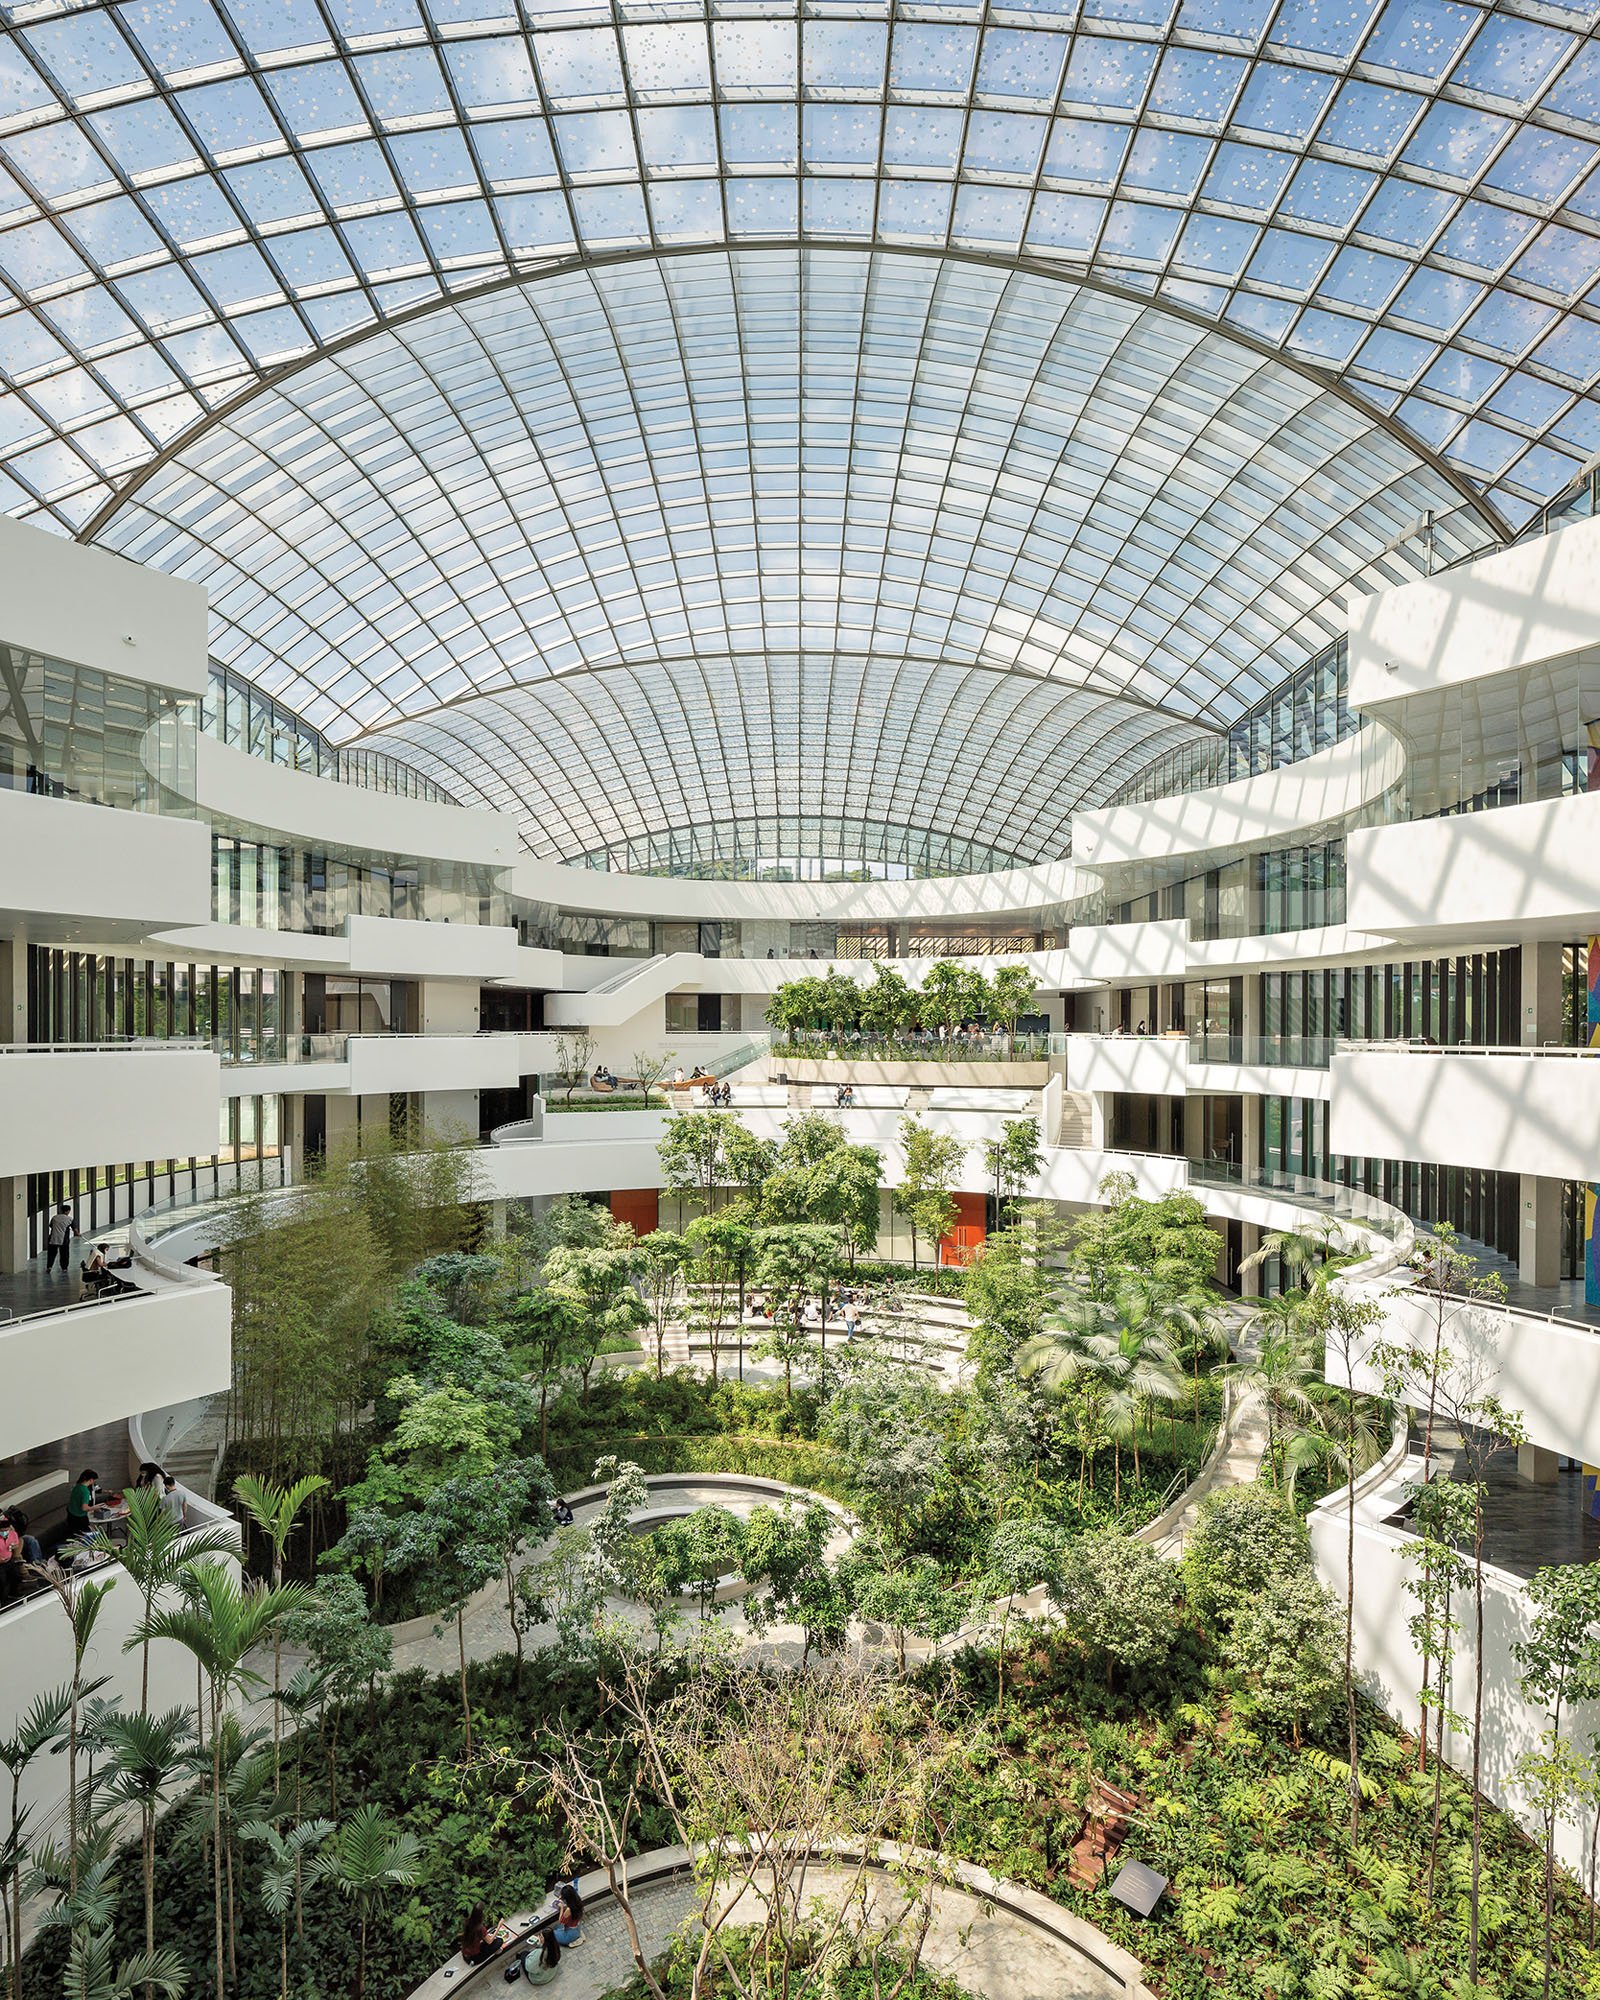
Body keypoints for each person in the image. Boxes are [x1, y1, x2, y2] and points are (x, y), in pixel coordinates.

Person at [64, 1470, 98, 1544]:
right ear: (91, 1480)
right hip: (80, 1519)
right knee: (86, 1538)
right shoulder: (85, 1491)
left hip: (71, 1516)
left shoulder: (77, 1487)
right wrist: (94, 1507)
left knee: (75, 1536)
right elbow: (84, 1508)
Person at [550, 1879, 584, 1947]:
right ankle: (578, 1936)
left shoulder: (569, 1910)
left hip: (570, 1933)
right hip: (576, 1927)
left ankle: (573, 1941)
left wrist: (562, 1908)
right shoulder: (577, 1901)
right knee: (557, 1928)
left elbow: (561, 1921)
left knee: (552, 1934)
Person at [45, 1203, 76, 1275]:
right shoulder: (69, 1219)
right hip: (63, 1240)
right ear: (67, 1211)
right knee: (64, 1254)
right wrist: (78, 1234)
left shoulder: (54, 1217)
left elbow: (51, 1226)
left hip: (52, 1239)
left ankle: (49, 1267)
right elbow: (75, 1230)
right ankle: (64, 1268)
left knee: (51, 1254)